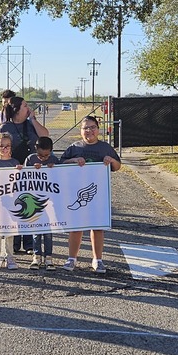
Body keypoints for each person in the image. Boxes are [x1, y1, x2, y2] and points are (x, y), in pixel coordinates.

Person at [59, 116, 121, 273]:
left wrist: (111, 161)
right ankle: (71, 258)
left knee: (97, 227)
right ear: (80, 130)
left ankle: (97, 259)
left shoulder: (105, 148)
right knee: (76, 227)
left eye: (92, 127)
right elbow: (61, 164)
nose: (89, 131)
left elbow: (117, 166)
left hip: (99, 195)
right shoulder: (74, 147)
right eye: (85, 128)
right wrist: (73, 160)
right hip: (76, 193)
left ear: (98, 129)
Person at [0, 96, 49, 254]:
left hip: (30, 170)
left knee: (29, 205)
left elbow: (45, 135)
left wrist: (33, 119)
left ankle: (28, 243)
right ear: (16, 109)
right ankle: (14, 242)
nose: (28, 108)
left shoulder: (30, 124)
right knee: (15, 205)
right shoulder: (5, 127)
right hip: (13, 170)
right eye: (25, 106)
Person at [0, 132, 22, 270]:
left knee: (9, 231)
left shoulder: (14, 162)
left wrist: (20, 171)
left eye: (7, 146)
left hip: (11, 201)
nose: (4, 149)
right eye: (1, 146)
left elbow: (20, 183)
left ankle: (10, 257)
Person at [24, 136, 60, 270]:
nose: (43, 158)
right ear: (36, 149)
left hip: (50, 201)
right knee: (36, 230)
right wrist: (32, 169)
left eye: (46, 155)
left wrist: (53, 169)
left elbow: (61, 177)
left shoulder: (54, 160)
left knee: (48, 232)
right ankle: (36, 256)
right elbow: (23, 177)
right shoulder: (30, 159)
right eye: (40, 155)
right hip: (34, 201)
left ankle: (48, 257)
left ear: (51, 151)